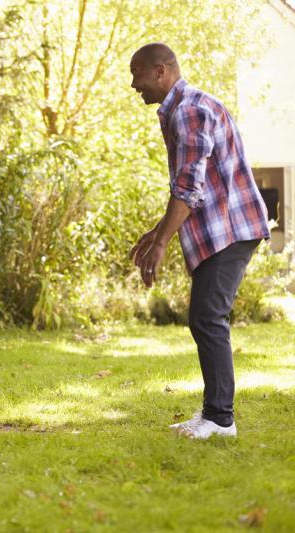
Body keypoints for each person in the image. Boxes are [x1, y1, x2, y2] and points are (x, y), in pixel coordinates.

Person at [128, 43, 269, 439]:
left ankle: (221, 420)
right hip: (221, 227)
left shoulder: (190, 110)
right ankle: (213, 414)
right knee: (205, 317)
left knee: (207, 317)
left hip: (232, 228)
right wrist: (157, 233)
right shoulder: (181, 109)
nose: (133, 83)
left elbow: (189, 187)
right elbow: (187, 186)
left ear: (161, 71)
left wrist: (160, 245)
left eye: (137, 72)